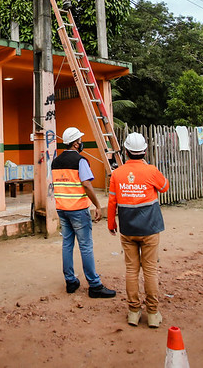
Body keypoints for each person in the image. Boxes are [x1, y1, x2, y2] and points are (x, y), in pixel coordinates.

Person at [107, 132, 170, 328]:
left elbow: (112, 202)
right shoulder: (151, 170)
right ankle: (152, 313)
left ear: (125, 152)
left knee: (131, 270)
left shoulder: (117, 173)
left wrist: (111, 224)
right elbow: (165, 187)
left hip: (127, 229)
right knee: (150, 270)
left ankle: (133, 312)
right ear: (144, 151)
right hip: (150, 229)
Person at [51, 127, 115, 298]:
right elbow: (86, 185)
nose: (81, 142)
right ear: (76, 142)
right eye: (80, 139)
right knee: (86, 246)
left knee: (67, 244)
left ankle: (70, 281)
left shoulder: (55, 161)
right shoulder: (80, 161)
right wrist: (97, 204)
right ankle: (94, 285)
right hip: (78, 209)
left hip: (62, 208)